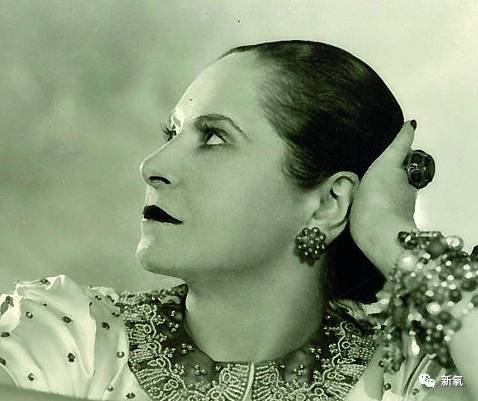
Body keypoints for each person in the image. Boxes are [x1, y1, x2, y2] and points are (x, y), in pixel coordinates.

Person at [0, 40, 477, 401]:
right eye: (172, 133)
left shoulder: (412, 376)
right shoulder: (73, 334)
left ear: (328, 203)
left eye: (213, 137)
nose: (153, 166)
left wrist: (389, 234)